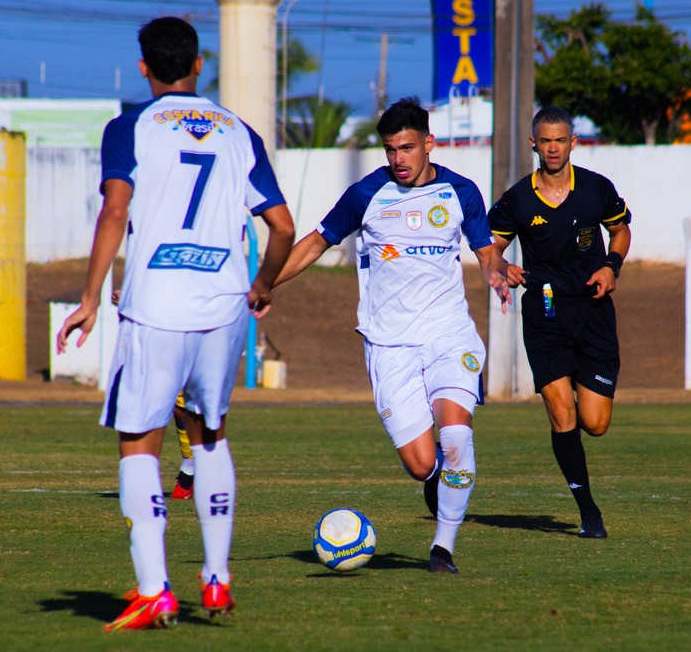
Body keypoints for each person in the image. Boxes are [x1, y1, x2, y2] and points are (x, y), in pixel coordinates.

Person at [56, 17, 295, 630]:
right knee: (210, 433)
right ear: (198, 63)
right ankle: (216, 579)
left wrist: (89, 296)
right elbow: (285, 228)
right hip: (222, 307)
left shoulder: (129, 126)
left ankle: (154, 590)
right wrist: (262, 283)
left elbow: (115, 206)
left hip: (157, 305)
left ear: (144, 67)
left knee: (140, 442)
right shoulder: (239, 131)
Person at [265, 96, 510, 574]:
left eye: (407, 148)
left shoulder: (461, 192)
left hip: (449, 334)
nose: (398, 159)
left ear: (429, 144)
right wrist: (262, 282)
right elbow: (316, 242)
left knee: (456, 434)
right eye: (390, 150)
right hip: (389, 343)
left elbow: (485, 251)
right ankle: (438, 475)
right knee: (422, 464)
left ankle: (443, 549)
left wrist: (497, 268)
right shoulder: (366, 195)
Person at [487, 106, 631, 539]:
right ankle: (589, 512)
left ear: (573, 142)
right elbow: (490, 245)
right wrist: (501, 265)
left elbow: (620, 231)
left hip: (592, 309)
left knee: (596, 422)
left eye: (560, 140)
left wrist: (611, 266)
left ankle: (579, 394)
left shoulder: (596, 189)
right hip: (545, 310)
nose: (552, 147)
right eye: (545, 140)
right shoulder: (517, 198)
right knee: (559, 409)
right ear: (534, 144)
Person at [112, 288, 195, 499]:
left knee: (184, 409)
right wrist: (129, 298)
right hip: (154, 335)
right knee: (149, 403)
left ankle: (191, 468)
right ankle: (142, 477)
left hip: (191, 329)